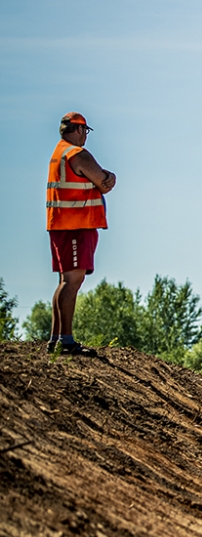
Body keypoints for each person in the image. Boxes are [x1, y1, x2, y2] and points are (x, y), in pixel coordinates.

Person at [46, 112, 116, 356]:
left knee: (65, 281)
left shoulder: (59, 154)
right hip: (76, 225)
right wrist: (110, 176)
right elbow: (103, 181)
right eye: (85, 130)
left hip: (61, 224)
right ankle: (66, 341)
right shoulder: (78, 154)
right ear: (78, 129)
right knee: (72, 281)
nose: (86, 135)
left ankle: (56, 338)